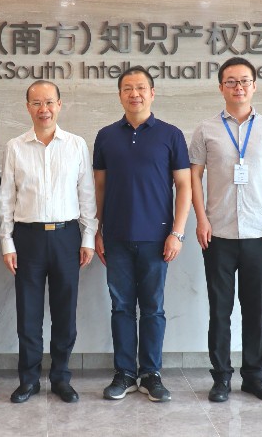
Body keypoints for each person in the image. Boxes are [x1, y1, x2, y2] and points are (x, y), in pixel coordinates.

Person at [190, 57, 262, 403]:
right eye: (231, 81)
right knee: (219, 311)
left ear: (254, 86)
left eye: (244, 81)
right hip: (217, 234)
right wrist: (201, 218)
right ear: (221, 87)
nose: (238, 87)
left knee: (254, 310)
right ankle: (221, 378)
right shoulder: (206, 129)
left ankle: (254, 377)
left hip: (258, 234)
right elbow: (194, 176)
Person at [93, 66, 191, 403]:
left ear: (152, 93)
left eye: (140, 88)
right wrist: (97, 231)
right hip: (116, 237)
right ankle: (124, 373)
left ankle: (151, 374)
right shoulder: (106, 136)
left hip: (157, 239)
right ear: (120, 94)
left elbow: (184, 186)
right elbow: (100, 187)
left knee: (152, 308)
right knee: (121, 307)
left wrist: (177, 233)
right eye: (127, 88)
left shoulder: (171, 135)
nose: (134, 94)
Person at [0, 80, 97, 404]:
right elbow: (6, 197)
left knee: (64, 313)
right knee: (28, 314)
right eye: (37, 103)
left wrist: (87, 237)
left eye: (49, 102)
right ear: (28, 107)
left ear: (59, 104)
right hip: (27, 238)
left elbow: (86, 195)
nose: (44, 109)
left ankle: (61, 378)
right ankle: (28, 380)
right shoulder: (15, 146)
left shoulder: (76, 145)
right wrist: (7, 242)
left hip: (67, 237)